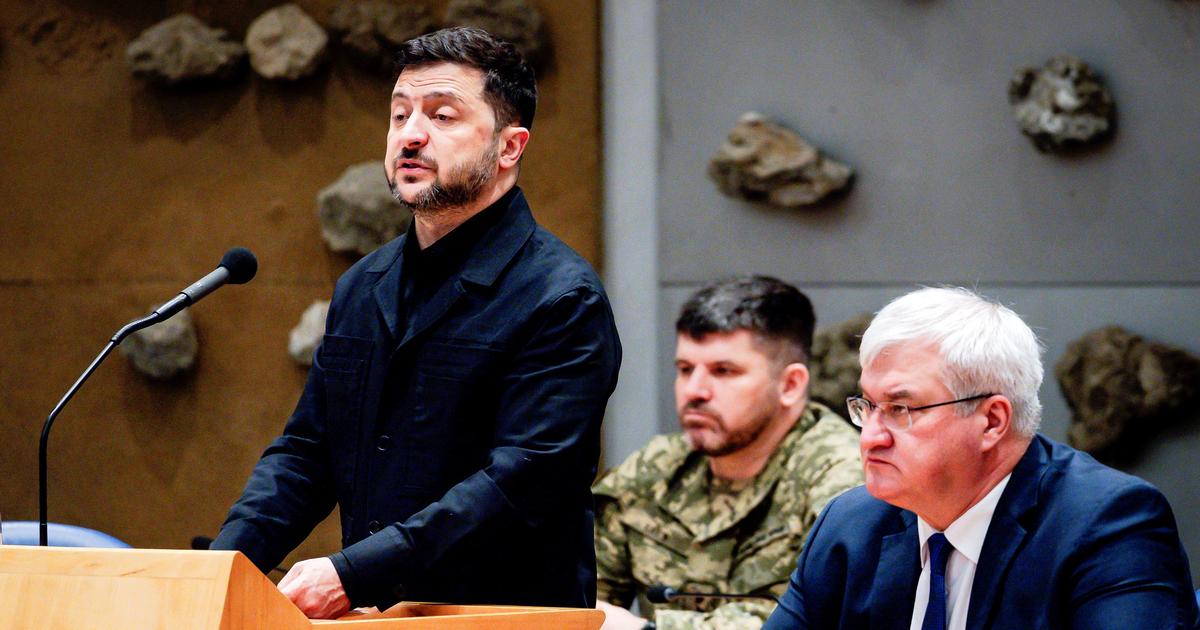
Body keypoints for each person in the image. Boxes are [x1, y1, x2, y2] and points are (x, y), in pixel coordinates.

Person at [210, 27, 622, 619]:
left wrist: (355, 573)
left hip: (504, 620)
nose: (410, 135)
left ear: (509, 147)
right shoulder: (363, 285)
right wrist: (222, 571)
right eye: (400, 114)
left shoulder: (561, 296)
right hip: (382, 616)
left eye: (442, 116)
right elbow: (308, 454)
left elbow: (521, 482)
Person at [763, 287, 1200, 630]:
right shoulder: (850, 525)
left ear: (991, 421)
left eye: (900, 409)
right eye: (868, 407)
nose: (871, 437)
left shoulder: (1107, 526)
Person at [594, 277, 863, 630]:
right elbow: (574, 598)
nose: (695, 391)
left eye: (723, 371)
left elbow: (814, 620)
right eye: (685, 369)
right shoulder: (656, 468)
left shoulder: (844, 480)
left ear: (790, 385)